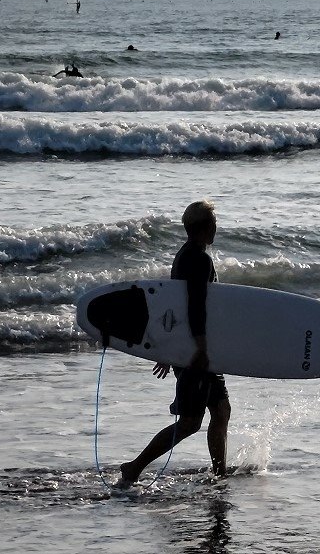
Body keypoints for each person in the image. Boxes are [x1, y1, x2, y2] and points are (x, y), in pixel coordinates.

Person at [120, 201, 231, 484]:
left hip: (191, 348)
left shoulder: (185, 255)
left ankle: (220, 474)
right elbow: (194, 308)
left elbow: (172, 308)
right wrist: (198, 350)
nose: (217, 227)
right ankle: (134, 467)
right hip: (197, 352)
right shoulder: (198, 259)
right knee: (190, 423)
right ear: (206, 227)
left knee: (221, 409)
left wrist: (169, 349)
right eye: (214, 222)